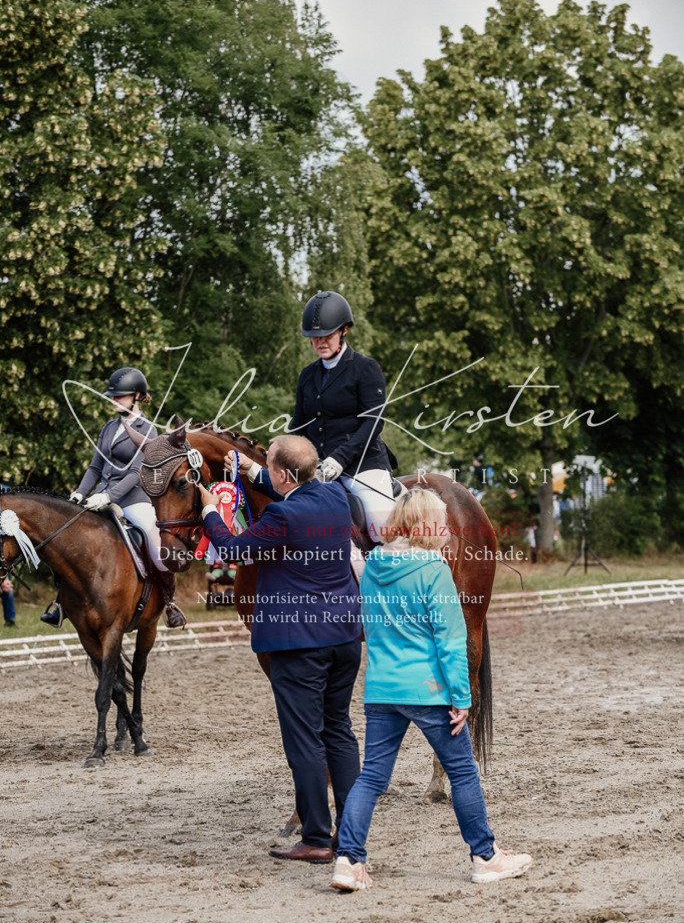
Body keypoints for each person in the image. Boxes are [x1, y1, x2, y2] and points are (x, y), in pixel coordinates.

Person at [330, 487, 533, 891]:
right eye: (440, 521)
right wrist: (462, 698)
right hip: (430, 691)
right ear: (424, 524)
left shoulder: (371, 567)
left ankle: (348, 862)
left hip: (382, 690)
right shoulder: (433, 570)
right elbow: (450, 639)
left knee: (371, 777)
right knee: (463, 772)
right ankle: (485, 857)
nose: (446, 529)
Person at [198, 435, 362, 864]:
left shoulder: (281, 516)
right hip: (344, 637)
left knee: (305, 741)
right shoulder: (336, 497)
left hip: (298, 643)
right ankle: (351, 828)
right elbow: (295, 490)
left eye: (269, 466)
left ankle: (315, 839)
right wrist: (252, 472)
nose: (266, 472)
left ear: (285, 474)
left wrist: (211, 513)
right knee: (338, 730)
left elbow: (232, 550)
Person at [41, 367, 185, 629]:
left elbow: (136, 472)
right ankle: (61, 604)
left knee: (157, 547)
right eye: (113, 396)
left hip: (134, 501)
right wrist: (80, 493)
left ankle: (170, 602)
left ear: (137, 396)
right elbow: (95, 468)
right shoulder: (109, 427)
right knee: (67, 541)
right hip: (99, 497)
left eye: (120, 396)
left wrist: (109, 496)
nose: (114, 400)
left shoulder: (149, 430)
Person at [292, 290, 398, 544]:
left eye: (327, 335)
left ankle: (395, 575)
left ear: (344, 330)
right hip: (317, 470)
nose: (321, 342)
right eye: (315, 337)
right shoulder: (308, 375)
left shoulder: (365, 368)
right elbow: (298, 427)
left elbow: (374, 422)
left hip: (363, 466)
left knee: (382, 528)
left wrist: (339, 459)